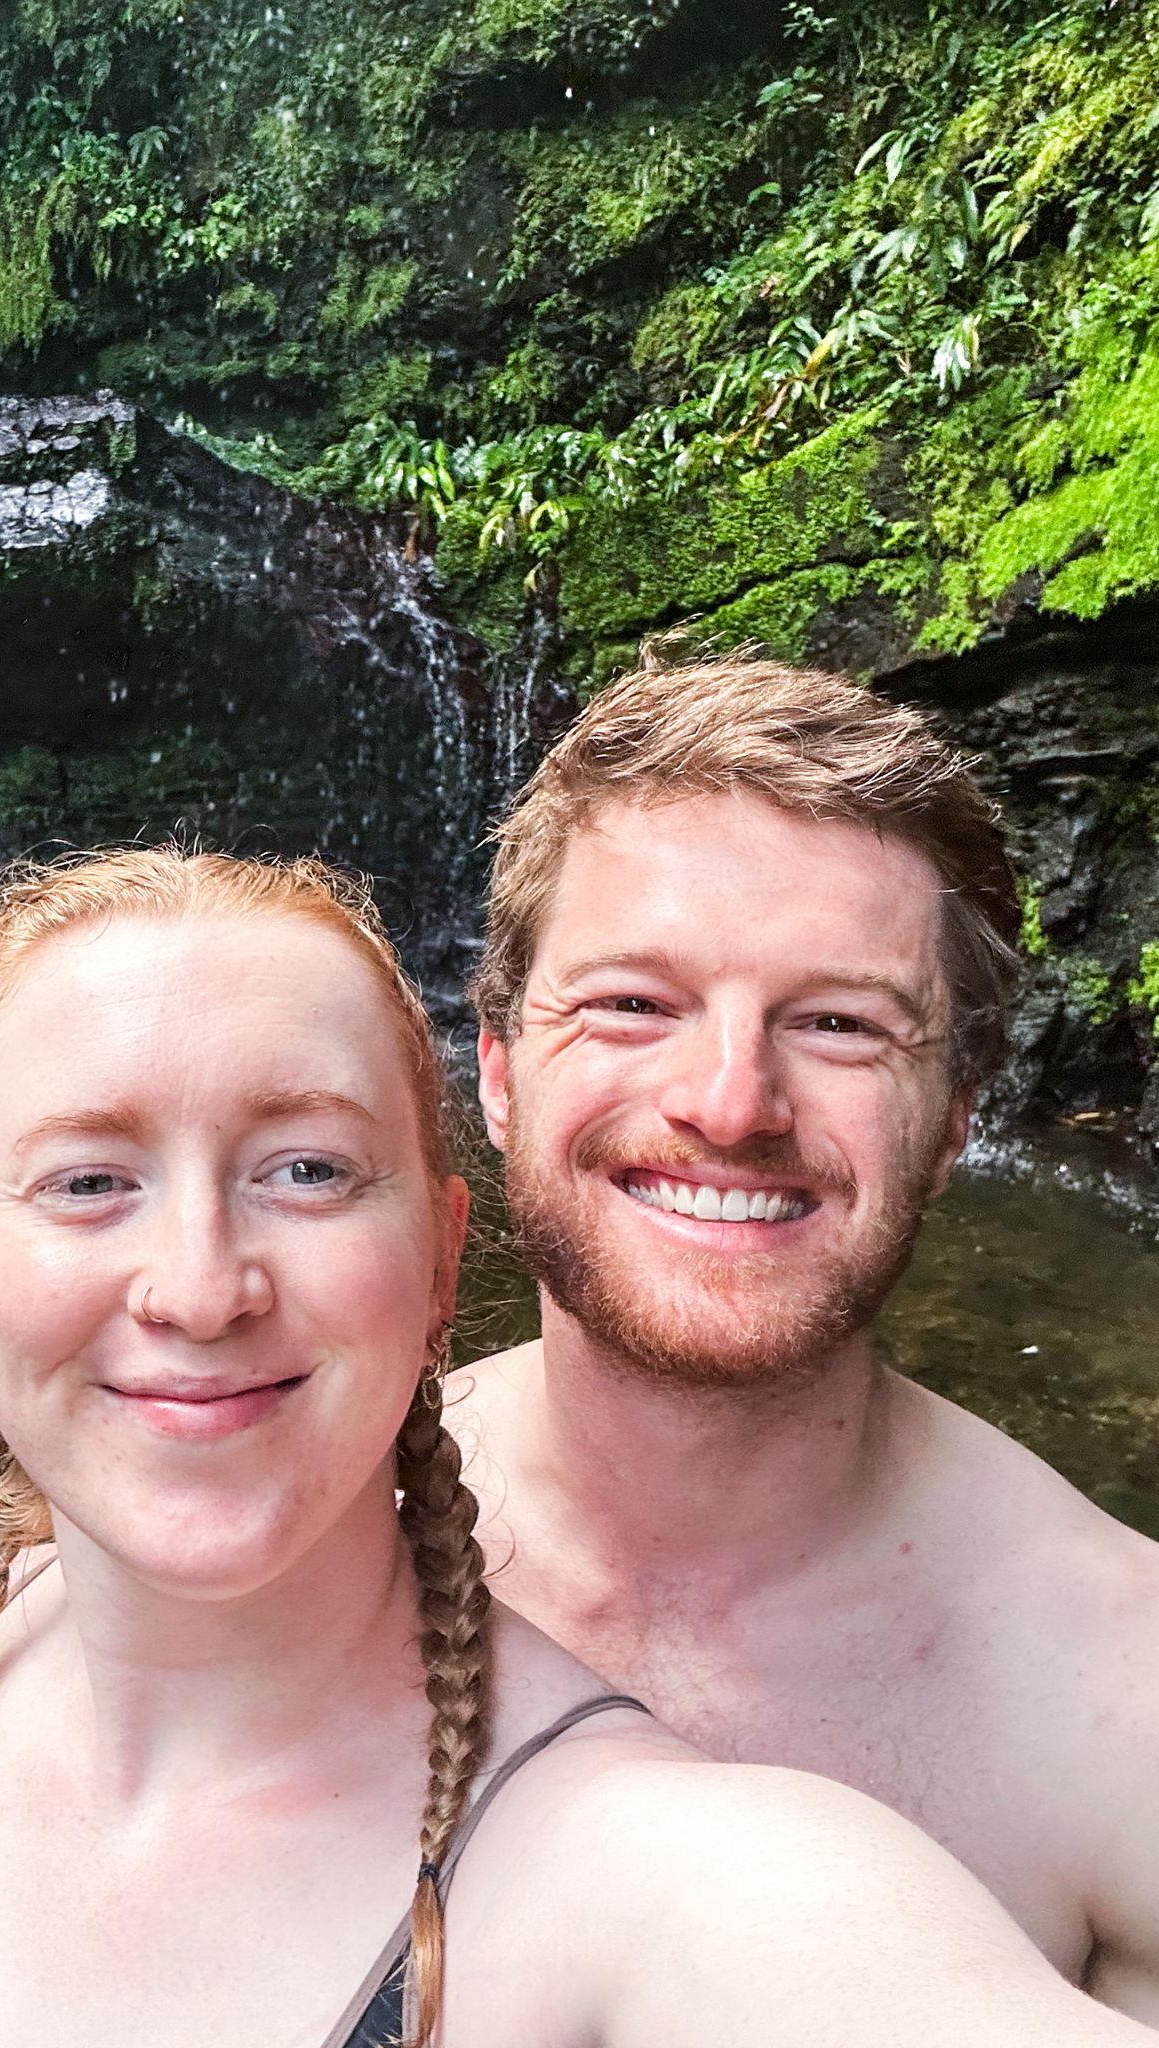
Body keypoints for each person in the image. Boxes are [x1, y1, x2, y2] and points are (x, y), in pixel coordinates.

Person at [0, 844, 1150, 2048]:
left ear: (436, 1266)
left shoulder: (666, 1871)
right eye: (91, 1181)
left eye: (309, 1172)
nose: (202, 1286)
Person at [451, 655, 1159, 2024]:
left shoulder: (1121, 1698)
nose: (730, 1103)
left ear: (956, 1117)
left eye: (838, 1024)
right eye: (634, 1004)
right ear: (494, 1070)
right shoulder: (276, 1551)